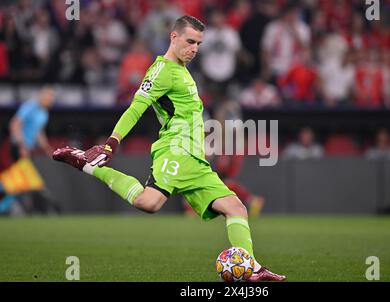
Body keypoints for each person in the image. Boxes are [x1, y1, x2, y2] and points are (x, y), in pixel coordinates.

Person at [53, 15, 285, 282]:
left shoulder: (183, 70)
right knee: (149, 203)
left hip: (195, 159)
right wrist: (111, 143)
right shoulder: (161, 71)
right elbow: (135, 108)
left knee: (236, 208)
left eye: (198, 43)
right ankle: (88, 165)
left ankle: (251, 269)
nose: (194, 48)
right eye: (190, 41)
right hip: (175, 150)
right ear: (173, 37)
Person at [7, 85, 60, 214]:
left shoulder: (44, 113)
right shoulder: (30, 106)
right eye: (49, 97)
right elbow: (14, 124)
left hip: (27, 149)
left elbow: (39, 133)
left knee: (23, 178)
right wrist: (21, 145)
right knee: (26, 178)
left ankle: (24, 208)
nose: (51, 101)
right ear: (41, 96)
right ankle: (19, 207)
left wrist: (47, 149)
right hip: (18, 148)